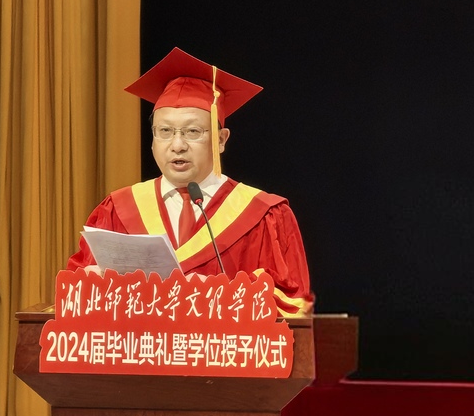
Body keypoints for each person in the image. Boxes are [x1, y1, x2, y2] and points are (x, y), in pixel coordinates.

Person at [67, 47, 314, 317]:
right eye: (164, 131)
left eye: (193, 131)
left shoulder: (264, 215)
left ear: (221, 140)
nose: (177, 145)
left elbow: (293, 305)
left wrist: (221, 294)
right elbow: (74, 300)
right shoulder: (117, 210)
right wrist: (90, 285)